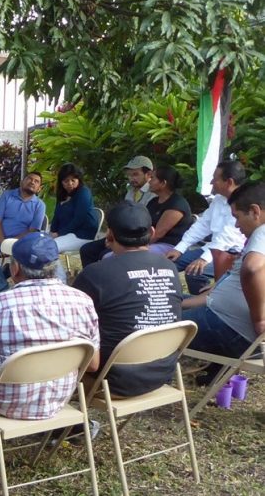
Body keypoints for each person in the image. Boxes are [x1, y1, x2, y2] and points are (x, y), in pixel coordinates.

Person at [0, 233, 99, 419]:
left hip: (1, 403)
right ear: (55, 267)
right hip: (56, 401)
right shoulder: (83, 301)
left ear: (15, 269)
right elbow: (93, 364)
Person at [72, 202, 182, 397]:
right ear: (152, 232)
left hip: (109, 381)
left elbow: (70, 324)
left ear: (109, 235)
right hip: (161, 373)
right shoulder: (170, 268)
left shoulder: (95, 274)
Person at [182, 182, 265, 368]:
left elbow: (253, 267)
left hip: (229, 326)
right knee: (174, 302)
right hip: (226, 317)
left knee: (157, 324)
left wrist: (260, 320)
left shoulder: (262, 232)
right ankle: (214, 374)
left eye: (237, 217)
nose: (236, 224)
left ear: (255, 211)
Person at [165, 160, 247, 295]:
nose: (211, 182)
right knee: (169, 263)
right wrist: (180, 248)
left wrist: (204, 259)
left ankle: (207, 302)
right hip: (212, 248)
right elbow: (202, 225)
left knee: (194, 272)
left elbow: (227, 238)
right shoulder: (219, 199)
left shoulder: (243, 203)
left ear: (229, 182)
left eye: (215, 179)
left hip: (232, 253)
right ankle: (167, 298)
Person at [79, 156, 156, 267]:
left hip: (136, 237)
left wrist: (116, 241)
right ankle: (92, 277)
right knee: (87, 250)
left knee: (104, 254)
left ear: (148, 174)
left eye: (135, 174)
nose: (131, 178)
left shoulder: (153, 193)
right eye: (129, 175)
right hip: (122, 233)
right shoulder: (131, 191)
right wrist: (112, 236)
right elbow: (123, 216)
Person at [0, 172, 47, 296]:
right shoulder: (7, 196)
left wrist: (10, 244)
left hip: (24, 242)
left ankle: (12, 277)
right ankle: (2, 287)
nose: (32, 182)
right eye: (29, 179)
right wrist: (3, 243)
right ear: (22, 182)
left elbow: (32, 230)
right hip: (1, 238)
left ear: (39, 188)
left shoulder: (40, 205)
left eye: (36, 181)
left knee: (30, 259)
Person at [143, 165, 194, 255]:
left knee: (132, 254)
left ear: (163, 183)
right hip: (152, 243)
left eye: (152, 178)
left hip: (170, 246)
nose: (149, 181)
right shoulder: (153, 201)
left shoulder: (177, 204)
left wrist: (135, 247)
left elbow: (158, 234)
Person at [49, 163, 96, 253]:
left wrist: (58, 234)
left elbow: (79, 219)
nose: (70, 183)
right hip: (65, 233)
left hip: (82, 234)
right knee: (40, 241)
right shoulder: (62, 194)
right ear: (61, 182)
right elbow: (56, 216)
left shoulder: (83, 192)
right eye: (66, 181)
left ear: (78, 180)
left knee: (50, 247)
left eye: (73, 180)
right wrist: (52, 231)